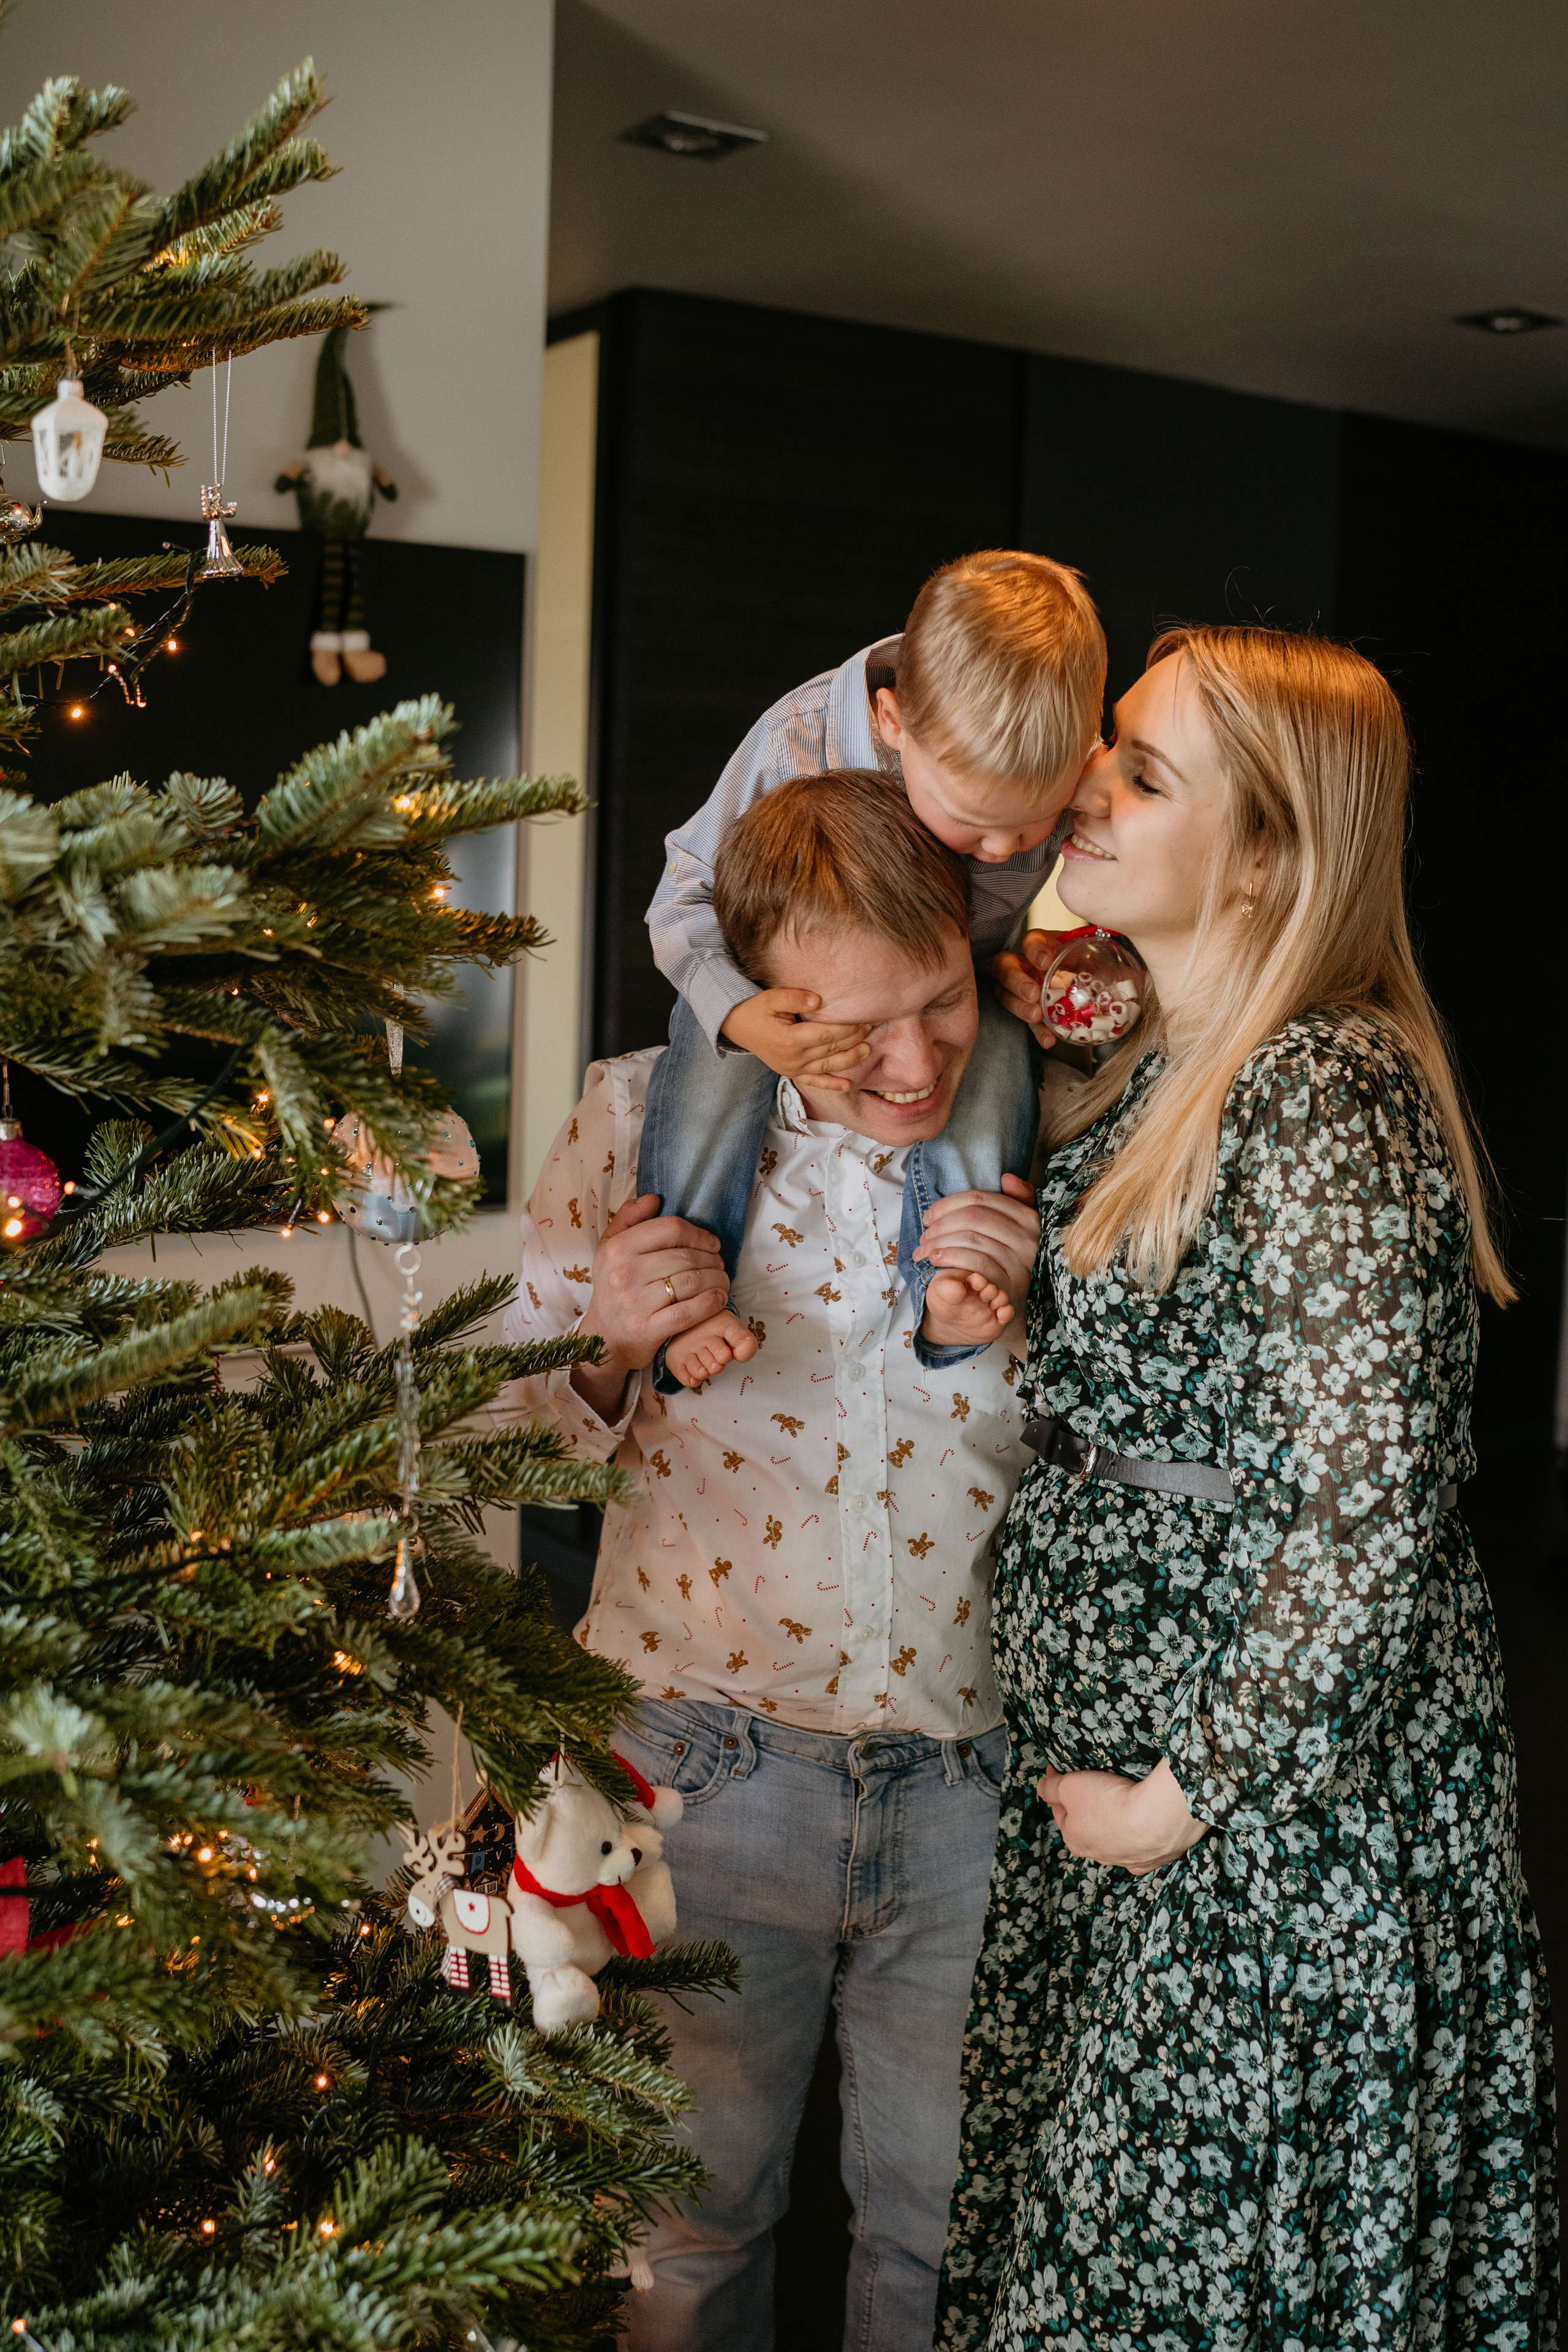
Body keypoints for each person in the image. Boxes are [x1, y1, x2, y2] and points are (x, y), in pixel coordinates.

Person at [935, 627, 1559, 2347]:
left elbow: (1369, 1508)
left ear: (1273, 849)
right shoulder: (1157, 1063)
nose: (1091, 784)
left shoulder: (1325, 1093)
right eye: (1107, 748)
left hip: (1263, 1853)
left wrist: (1180, 1800)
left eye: (1147, 771)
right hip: (1135, 1837)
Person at [504, 771, 1042, 2352]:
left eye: (940, 1000)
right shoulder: (630, 1122)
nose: (915, 1060)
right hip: (701, 1777)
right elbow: (511, 1459)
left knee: (943, 2242)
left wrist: (1029, 1325)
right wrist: (604, 1346)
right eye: (852, 1028)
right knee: (685, 2232)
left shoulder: (1032, 1125)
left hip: (964, 1776)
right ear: (759, 1008)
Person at [639, 547, 1105, 1393]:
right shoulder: (799, 742)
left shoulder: (1056, 751)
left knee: (999, 1065)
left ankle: (954, 1285)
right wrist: (740, 1017)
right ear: (894, 725)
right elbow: (679, 905)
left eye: (1037, 821)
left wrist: (1035, 965)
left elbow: (1055, 908)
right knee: (711, 1073)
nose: (1005, 850)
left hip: (954, 980)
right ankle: (685, 1299)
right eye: (973, 822)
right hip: (769, 997)